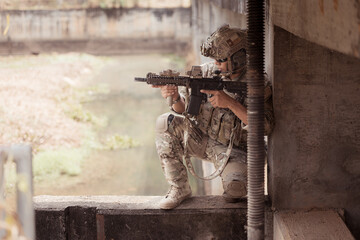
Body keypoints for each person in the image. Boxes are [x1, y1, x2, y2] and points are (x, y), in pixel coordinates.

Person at [152, 24, 274, 210]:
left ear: (238, 58)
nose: (216, 63)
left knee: (235, 190)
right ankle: (179, 188)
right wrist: (175, 96)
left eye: (221, 59)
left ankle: (233, 179)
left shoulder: (257, 83)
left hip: (235, 151)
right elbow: (184, 109)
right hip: (203, 140)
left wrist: (231, 103)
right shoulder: (206, 72)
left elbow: (265, 127)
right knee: (164, 123)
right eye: (214, 59)